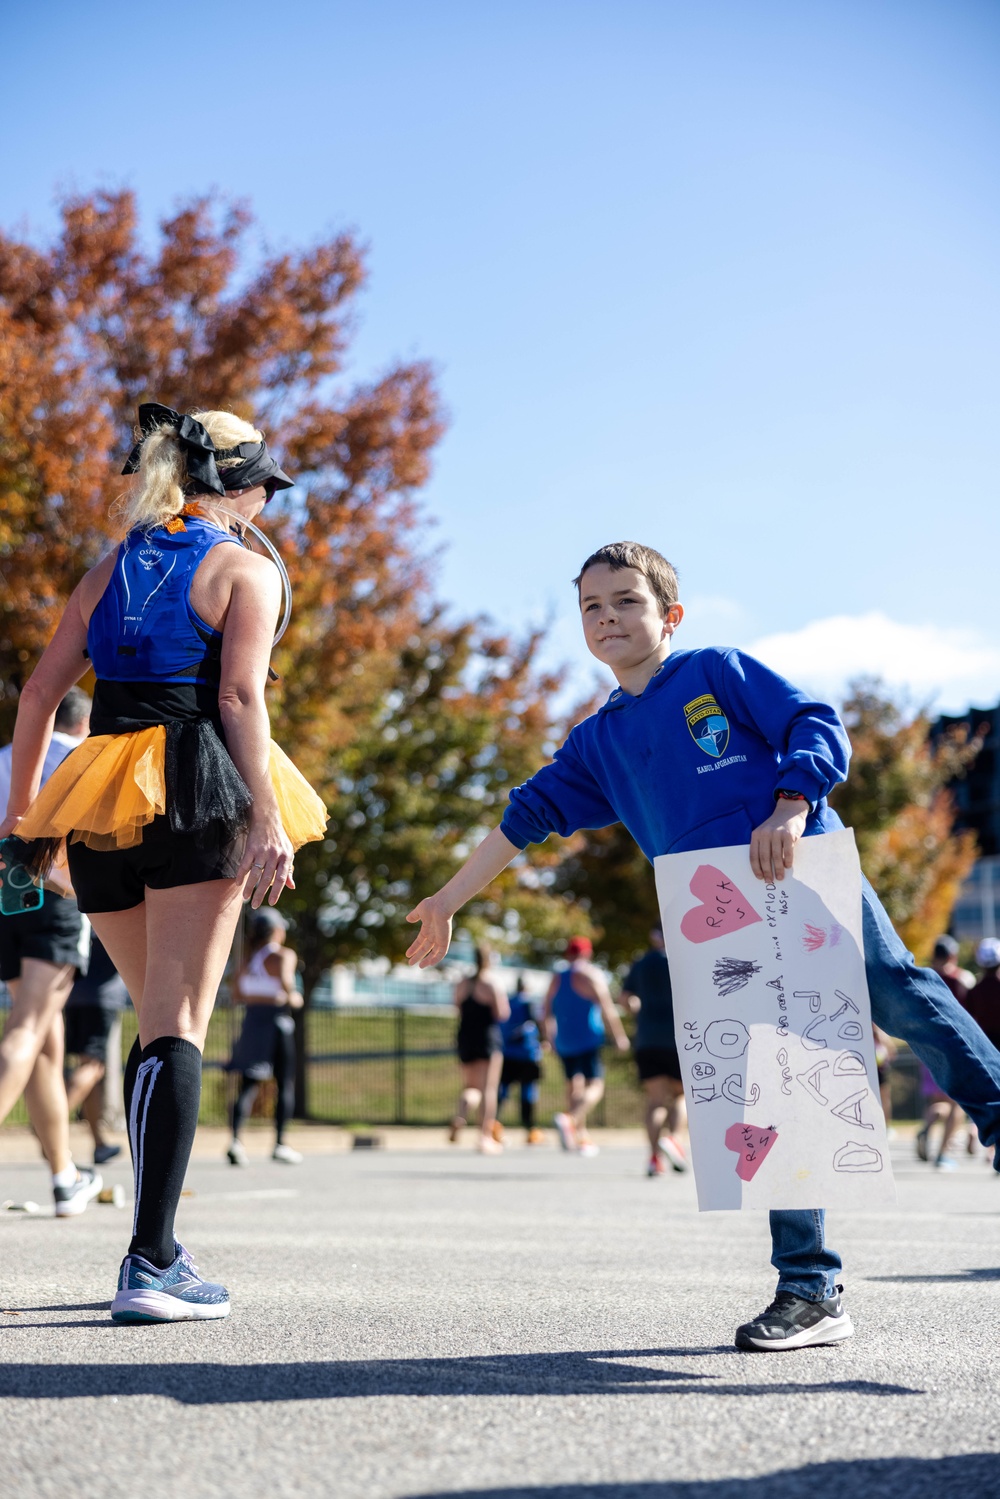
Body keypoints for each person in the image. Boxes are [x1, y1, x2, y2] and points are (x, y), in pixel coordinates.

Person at [406, 539, 1000, 1353]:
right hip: (717, 916)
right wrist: (444, 899)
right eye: (592, 607)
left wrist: (792, 802)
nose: (607, 616)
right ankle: (810, 1289)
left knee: (892, 986)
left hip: (797, 866)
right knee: (778, 1089)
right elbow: (520, 819)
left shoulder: (715, 671)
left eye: (626, 601)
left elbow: (812, 721)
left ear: (669, 615)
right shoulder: (597, 741)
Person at [0, 403, 326, 1322]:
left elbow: (36, 693)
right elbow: (236, 697)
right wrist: (267, 816)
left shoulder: (106, 568)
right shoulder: (246, 568)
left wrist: (27, 819)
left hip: (99, 794)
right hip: (196, 788)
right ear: (245, 487)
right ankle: (149, 1261)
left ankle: (162, 1245)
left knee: (155, 1025)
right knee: (178, 1024)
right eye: (269, 485)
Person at [0, 686, 101, 1214]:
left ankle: (64, 1177)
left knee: (44, 1043)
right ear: (84, 722)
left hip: (4, 902)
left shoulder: (5, 758)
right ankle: (64, 1175)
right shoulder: (83, 756)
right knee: (24, 1034)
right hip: (53, 897)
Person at [226, 911, 303, 1166]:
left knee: (247, 1085)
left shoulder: (245, 961)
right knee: (284, 1084)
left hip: (251, 1023)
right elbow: (287, 989)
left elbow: (237, 994)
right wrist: (295, 999)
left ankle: (236, 1141)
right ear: (277, 931)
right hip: (276, 1023)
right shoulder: (283, 955)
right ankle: (280, 1143)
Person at [543, 936, 630, 1157]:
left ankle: (579, 1136)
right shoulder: (590, 975)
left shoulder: (556, 977)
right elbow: (607, 1008)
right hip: (588, 1038)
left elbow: (545, 1011)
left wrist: (549, 1037)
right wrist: (619, 1036)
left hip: (564, 1040)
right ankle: (570, 1119)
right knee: (595, 1086)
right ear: (587, 954)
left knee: (573, 1085)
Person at [620, 925, 687, 1176]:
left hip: (647, 1039)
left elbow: (625, 998)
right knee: (680, 1097)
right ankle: (674, 1139)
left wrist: (640, 1013)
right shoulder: (683, 959)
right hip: (678, 1038)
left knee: (655, 1100)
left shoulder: (641, 962)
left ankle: (653, 1158)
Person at [63, 934, 129, 1165]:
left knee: (90, 1070)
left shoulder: (83, 909)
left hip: (74, 995)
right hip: (101, 998)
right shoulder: (114, 904)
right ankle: (50, 1123)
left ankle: (99, 1143)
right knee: (93, 1067)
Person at [450, 945, 510, 1153]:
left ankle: (460, 1116)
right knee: (489, 1089)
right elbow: (502, 1013)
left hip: (465, 1037)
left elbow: (457, 1008)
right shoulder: (491, 982)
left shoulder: (462, 983)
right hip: (487, 1038)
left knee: (471, 1087)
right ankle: (484, 1137)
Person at [496, 976, 545, 1145]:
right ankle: (531, 1129)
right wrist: (544, 1040)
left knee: (502, 1091)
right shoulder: (529, 1003)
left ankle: (494, 1125)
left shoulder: (508, 1002)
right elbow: (538, 1021)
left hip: (507, 1053)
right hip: (527, 1054)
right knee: (528, 1091)